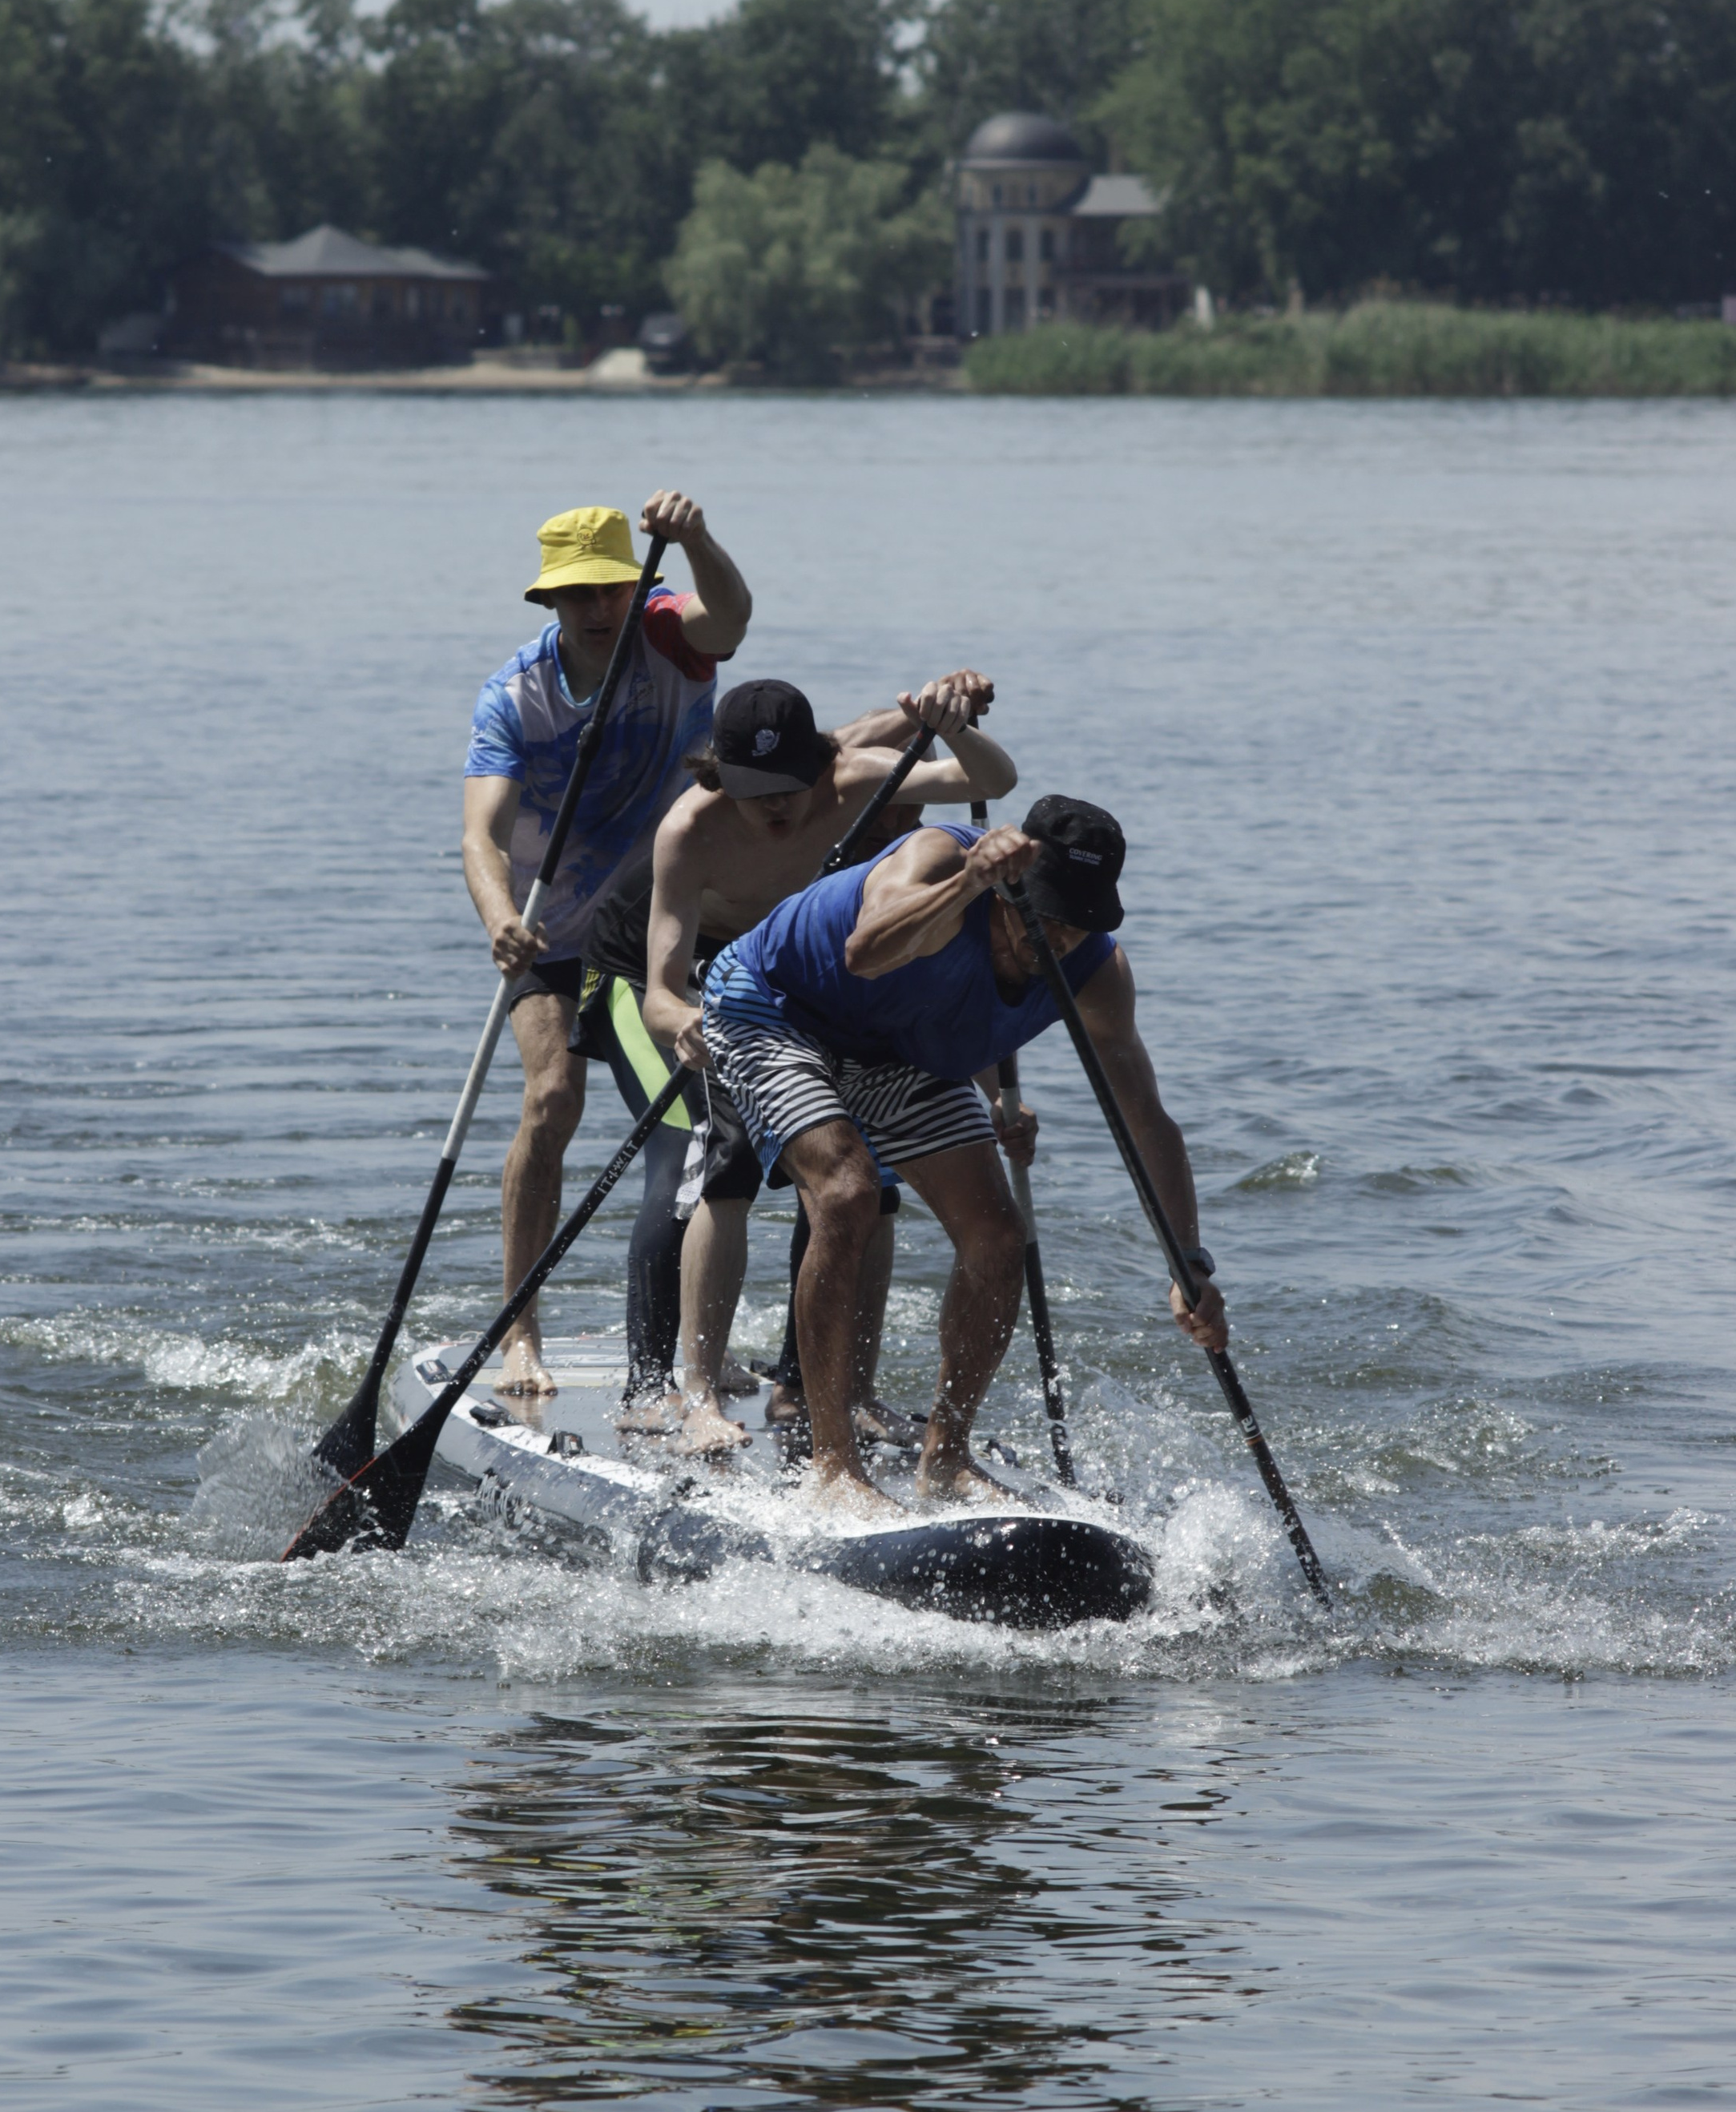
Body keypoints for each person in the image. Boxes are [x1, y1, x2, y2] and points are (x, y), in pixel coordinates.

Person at [697, 796, 1230, 1512]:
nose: (1057, 940)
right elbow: (865, 953)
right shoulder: (938, 860)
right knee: (848, 1193)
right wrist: (968, 883)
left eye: (1078, 924)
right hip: (775, 1009)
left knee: (999, 1239)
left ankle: (945, 1457)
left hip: (897, 1046)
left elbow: (1148, 1122)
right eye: (1044, 916)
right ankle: (833, 1469)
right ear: (1009, 886)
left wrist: (1187, 1262)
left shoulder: (1098, 973)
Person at [633, 671, 1017, 1449]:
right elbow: (659, 993)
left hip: (823, 976)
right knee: (730, 1172)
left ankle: (839, 1394)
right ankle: (698, 1395)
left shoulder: (855, 778)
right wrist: (685, 1025)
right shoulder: (689, 830)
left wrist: (952, 724)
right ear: (719, 776)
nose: (775, 806)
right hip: (728, 981)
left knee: (866, 1186)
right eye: (753, 791)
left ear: (819, 763)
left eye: (789, 786)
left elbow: (991, 781)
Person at [461, 491, 751, 1395]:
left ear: (636, 586)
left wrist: (696, 538)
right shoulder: (515, 696)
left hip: (660, 925)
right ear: (549, 598)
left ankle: (695, 1348)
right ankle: (519, 1333)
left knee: (702, 1121)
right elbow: (480, 836)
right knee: (553, 1100)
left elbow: (731, 621)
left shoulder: (667, 635)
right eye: (577, 593)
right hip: (547, 928)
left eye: (611, 589)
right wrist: (500, 919)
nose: (597, 608)